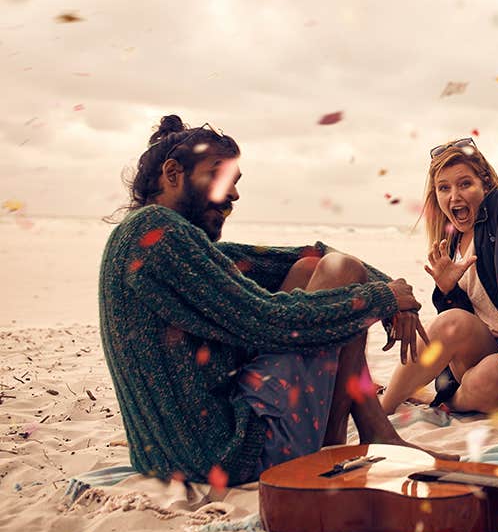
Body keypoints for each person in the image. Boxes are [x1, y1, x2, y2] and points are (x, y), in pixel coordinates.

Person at [100, 115, 427, 486]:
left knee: (312, 268)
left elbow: (300, 256)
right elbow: (269, 320)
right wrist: (380, 299)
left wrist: (393, 294)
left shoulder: (149, 234)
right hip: (225, 455)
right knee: (343, 272)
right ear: (173, 173)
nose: (235, 194)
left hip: (169, 454)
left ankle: (367, 432)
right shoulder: (158, 232)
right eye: (220, 176)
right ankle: (354, 437)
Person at [380, 138, 498, 419]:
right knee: (450, 322)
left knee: (489, 376)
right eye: (444, 188)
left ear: (484, 182)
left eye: (464, 184)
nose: (454, 196)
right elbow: (460, 327)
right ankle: (381, 412)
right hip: (484, 351)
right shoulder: (450, 242)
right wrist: (447, 290)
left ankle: (448, 401)